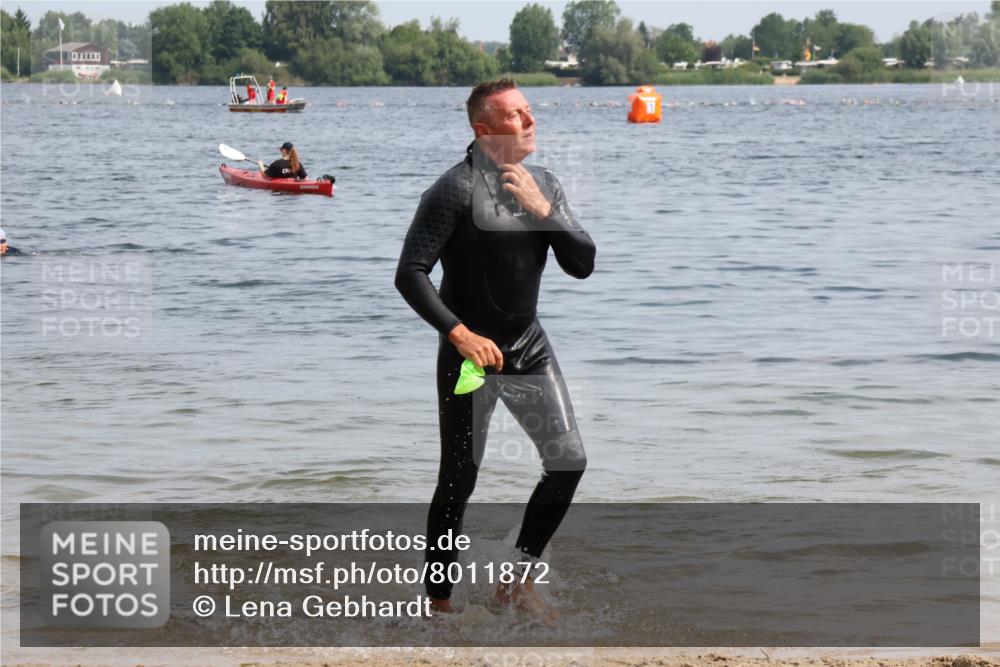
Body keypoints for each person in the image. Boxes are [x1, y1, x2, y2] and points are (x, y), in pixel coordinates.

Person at [394, 78, 595, 620]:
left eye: (530, 111)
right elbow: (410, 274)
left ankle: (516, 582)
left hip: (530, 347)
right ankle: (439, 603)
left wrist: (543, 210)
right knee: (459, 477)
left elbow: (583, 264)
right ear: (484, 129)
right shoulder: (454, 190)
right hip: (469, 356)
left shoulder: (544, 183)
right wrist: (459, 334)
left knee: (569, 462)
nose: (530, 121)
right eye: (517, 115)